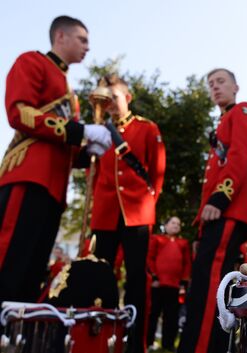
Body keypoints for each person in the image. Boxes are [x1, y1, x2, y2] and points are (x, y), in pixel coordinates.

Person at [0, 15, 112, 304]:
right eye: (82, 39)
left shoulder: (70, 95)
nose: (87, 47)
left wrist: (88, 153)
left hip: (54, 187)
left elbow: (65, 148)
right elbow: (20, 113)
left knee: (32, 269)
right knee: (9, 258)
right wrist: (79, 130)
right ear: (60, 36)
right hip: (28, 175)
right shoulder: (32, 62)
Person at [178, 68, 247, 353]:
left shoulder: (243, 111)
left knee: (211, 284)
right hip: (215, 215)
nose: (215, 87)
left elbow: (240, 158)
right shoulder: (222, 122)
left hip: (229, 210)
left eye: (221, 82)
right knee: (201, 286)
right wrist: (202, 223)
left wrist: (219, 200)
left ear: (236, 87)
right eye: (211, 84)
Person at [90, 74, 166, 353]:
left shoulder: (147, 128)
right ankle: (98, 336)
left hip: (136, 212)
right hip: (105, 212)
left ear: (128, 98)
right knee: (100, 274)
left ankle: (135, 343)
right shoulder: (99, 130)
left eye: (115, 98)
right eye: (106, 100)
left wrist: (149, 202)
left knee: (135, 278)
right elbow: (93, 171)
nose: (110, 104)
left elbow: (157, 173)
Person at [147, 216, 191, 352]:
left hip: (175, 286)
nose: (176, 225)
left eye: (178, 224)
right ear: (165, 226)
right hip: (158, 284)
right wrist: (154, 278)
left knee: (171, 316)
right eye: (173, 223)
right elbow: (150, 258)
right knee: (153, 314)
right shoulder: (157, 239)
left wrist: (183, 282)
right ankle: (148, 342)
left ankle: (168, 344)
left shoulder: (183, 243)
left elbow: (187, 264)